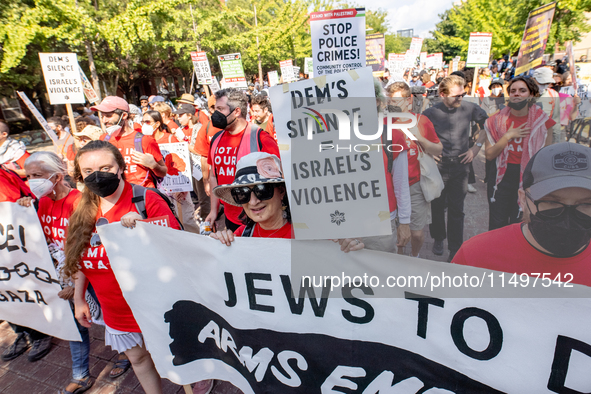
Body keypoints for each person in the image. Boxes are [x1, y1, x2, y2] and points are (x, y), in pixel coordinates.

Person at [63, 140, 182, 394]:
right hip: (115, 307)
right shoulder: (82, 208)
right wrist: (79, 297)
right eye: (88, 171)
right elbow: (82, 257)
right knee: (138, 359)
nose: (97, 175)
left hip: (157, 303)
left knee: (178, 358)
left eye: (106, 166)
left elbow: (177, 249)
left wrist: (146, 228)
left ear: (121, 167)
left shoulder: (146, 199)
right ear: (80, 175)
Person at [453, 142, 591, 284]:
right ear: (523, 199)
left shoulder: (475, 255)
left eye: (587, 204)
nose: (567, 219)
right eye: (551, 202)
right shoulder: (475, 258)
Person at [16, 152, 95, 393]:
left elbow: (87, 246)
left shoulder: (79, 202)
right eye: (28, 176)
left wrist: (76, 286)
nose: (31, 181)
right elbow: (42, 239)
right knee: (75, 325)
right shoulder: (42, 201)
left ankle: (127, 355)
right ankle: (81, 375)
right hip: (63, 275)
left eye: (37, 175)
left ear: (57, 176)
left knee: (107, 318)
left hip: (87, 273)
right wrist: (24, 213)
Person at [423, 75, 488, 261]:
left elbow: (488, 125)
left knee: (457, 209)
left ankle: (455, 247)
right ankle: (437, 238)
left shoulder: (470, 108)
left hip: (461, 166)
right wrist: (428, 151)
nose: (461, 98)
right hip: (439, 167)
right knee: (436, 206)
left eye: (463, 94)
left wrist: (476, 148)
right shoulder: (430, 113)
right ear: (443, 94)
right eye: (456, 96)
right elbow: (417, 134)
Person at [484, 76, 555, 231]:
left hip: (529, 176)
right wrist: (508, 136)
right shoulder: (495, 120)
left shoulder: (543, 121)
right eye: (513, 91)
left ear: (531, 95)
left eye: (522, 90)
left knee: (521, 221)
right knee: (497, 222)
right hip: (501, 176)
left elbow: (545, 155)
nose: (517, 94)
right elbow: (489, 155)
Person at [204, 88, 279, 232]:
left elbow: (278, 182)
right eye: (215, 109)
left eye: (220, 109)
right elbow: (214, 176)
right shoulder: (216, 139)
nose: (215, 114)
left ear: (237, 111)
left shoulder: (261, 138)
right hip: (230, 218)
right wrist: (214, 210)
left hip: (258, 216)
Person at [0, 164, 54, 364]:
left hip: (13, 240)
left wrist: (26, 203)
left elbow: (22, 197)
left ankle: (39, 333)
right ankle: (21, 330)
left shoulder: (4, 171)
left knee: (21, 284)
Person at [386, 83, 443, 257]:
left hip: (415, 185)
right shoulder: (384, 122)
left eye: (397, 100)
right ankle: (400, 258)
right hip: (392, 187)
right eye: (389, 100)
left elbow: (438, 149)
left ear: (408, 100)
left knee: (416, 233)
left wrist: (421, 140)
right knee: (397, 231)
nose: (392, 104)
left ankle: (415, 257)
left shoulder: (421, 121)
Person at [94, 96, 168, 189]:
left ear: (124, 115)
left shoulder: (145, 140)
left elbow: (163, 172)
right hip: (116, 196)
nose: (104, 120)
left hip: (143, 196)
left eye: (108, 116)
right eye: (102, 116)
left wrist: (153, 165)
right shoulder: (104, 140)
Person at [174, 103, 210, 222]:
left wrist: (182, 143)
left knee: (203, 195)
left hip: (199, 165)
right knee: (196, 192)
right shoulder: (181, 130)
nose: (178, 118)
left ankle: (207, 220)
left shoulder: (199, 128)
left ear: (189, 116)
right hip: (190, 167)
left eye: (181, 115)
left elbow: (198, 150)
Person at [532, 67, 561, 143]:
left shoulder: (553, 94)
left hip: (544, 138)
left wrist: (555, 142)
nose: (544, 86)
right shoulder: (523, 94)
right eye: (541, 83)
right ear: (533, 79)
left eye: (547, 83)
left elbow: (556, 120)